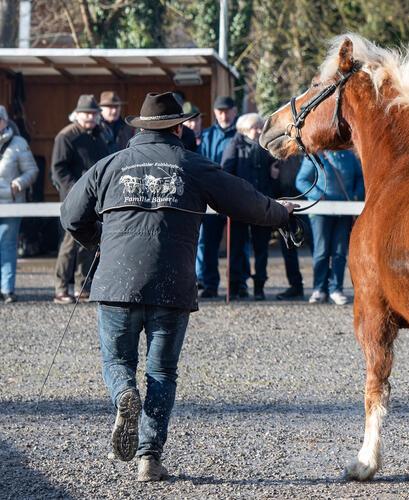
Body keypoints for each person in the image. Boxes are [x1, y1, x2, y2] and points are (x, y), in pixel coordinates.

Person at [60, 92, 296, 482]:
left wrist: (99, 240)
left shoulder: (110, 165)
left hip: (117, 282)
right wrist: (281, 214)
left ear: (142, 129)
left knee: (118, 363)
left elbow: (70, 213)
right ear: (177, 126)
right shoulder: (194, 164)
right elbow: (244, 201)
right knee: (162, 372)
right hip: (172, 283)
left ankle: (123, 396)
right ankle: (149, 458)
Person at [51, 95, 111, 304]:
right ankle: (61, 288)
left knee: (89, 241)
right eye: (87, 113)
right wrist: (76, 190)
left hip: (94, 198)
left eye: (94, 114)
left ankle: (82, 286)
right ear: (77, 114)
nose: (91, 117)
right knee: (69, 243)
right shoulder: (66, 136)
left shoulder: (99, 135)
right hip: (73, 197)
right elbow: (59, 169)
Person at [296, 150, 363, 305]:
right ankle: (319, 289)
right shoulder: (315, 155)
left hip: (345, 210)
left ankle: (336, 289)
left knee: (339, 252)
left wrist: (356, 195)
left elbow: (360, 178)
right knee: (321, 251)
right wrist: (318, 195)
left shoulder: (349, 156)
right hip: (320, 211)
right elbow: (301, 180)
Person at [221, 113, 275, 300]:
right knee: (237, 248)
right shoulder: (234, 145)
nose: (259, 131)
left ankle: (259, 287)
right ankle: (236, 286)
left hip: (262, 205)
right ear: (244, 129)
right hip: (240, 206)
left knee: (262, 249)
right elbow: (225, 173)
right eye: (255, 127)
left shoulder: (265, 148)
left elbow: (272, 174)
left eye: (260, 127)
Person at [196, 96, 238, 298]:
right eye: (220, 111)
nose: (224, 115)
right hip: (211, 197)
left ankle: (238, 285)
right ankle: (209, 283)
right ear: (214, 113)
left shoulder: (242, 135)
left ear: (234, 111)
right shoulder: (205, 136)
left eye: (227, 110)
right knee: (207, 243)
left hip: (234, 196)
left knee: (237, 244)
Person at [0, 105, 38, 303]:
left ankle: (7, 289)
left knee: (7, 244)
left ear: (5, 121)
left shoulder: (18, 143)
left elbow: (32, 171)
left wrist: (18, 184)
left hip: (11, 202)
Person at [271, 154, 307, 300]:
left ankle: (322, 286)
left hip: (305, 203)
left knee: (317, 248)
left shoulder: (304, 153)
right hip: (284, 204)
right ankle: (295, 286)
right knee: (288, 247)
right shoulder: (275, 156)